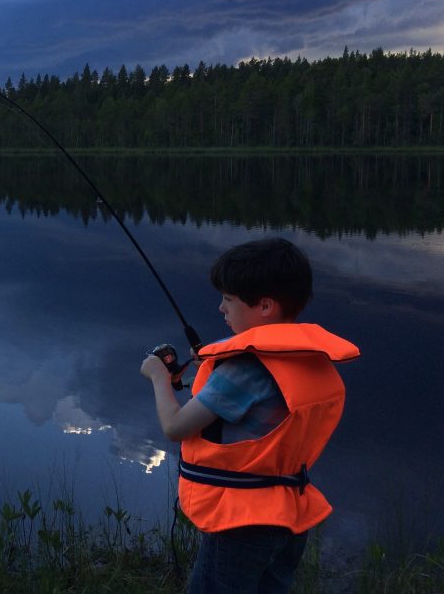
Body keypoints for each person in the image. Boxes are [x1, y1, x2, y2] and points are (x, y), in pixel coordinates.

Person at [140, 237, 359, 594]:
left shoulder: (243, 370)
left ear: (265, 306)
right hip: (289, 517)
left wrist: (158, 378)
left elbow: (174, 427)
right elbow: (256, 404)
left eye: (229, 299)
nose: (221, 308)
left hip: (242, 522)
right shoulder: (307, 359)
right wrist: (202, 380)